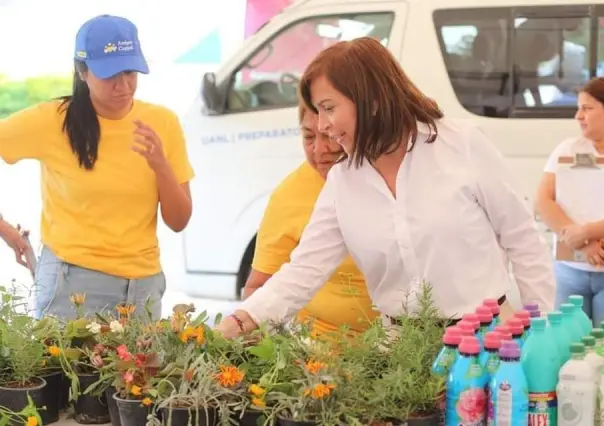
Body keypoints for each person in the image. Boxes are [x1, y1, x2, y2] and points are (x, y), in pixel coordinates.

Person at [215, 37, 555, 338]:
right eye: (318, 113)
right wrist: (241, 320)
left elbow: (522, 239)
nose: (323, 126)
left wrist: (542, 333)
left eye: (329, 109)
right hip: (399, 350)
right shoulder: (343, 180)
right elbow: (304, 270)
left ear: (371, 99)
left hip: (485, 342)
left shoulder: (460, 144)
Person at [0, 15, 194, 320]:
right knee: (58, 371)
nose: (123, 85)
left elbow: (179, 220)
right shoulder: (52, 120)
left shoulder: (162, 123)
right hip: (71, 287)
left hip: (143, 290)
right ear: (82, 71)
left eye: (130, 72)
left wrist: (161, 167)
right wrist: (6, 230)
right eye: (109, 74)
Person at [243, 103, 379, 337]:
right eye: (308, 137)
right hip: (318, 352)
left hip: (401, 346)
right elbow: (258, 287)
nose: (319, 150)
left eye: (329, 135)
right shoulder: (289, 194)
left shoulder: (391, 177)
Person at [535, 77, 604, 325]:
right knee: (567, 350)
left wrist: (586, 231)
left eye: (587, 108)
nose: (578, 116)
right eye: (578, 108)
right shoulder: (567, 149)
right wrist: (583, 245)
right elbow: (543, 201)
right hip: (569, 271)